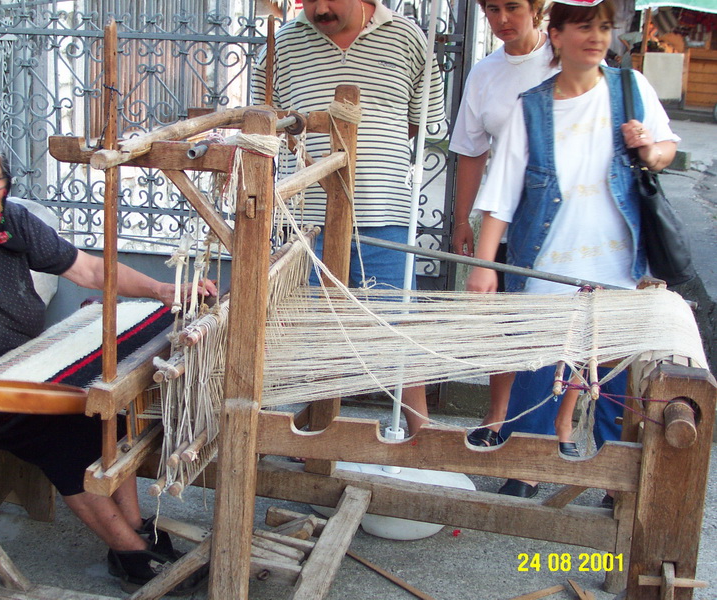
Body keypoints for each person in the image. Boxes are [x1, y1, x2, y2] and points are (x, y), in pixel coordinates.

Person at [0, 122, 215, 595]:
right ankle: (132, 555)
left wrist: (163, 290)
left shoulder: (10, 221)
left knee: (102, 419)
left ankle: (138, 536)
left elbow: (87, 268)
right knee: (65, 437)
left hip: (15, 365)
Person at [466, 0, 678, 499]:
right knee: (538, 368)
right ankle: (528, 467)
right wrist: (484, 265)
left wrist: (649, 150)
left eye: (604, 26)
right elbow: (501, 190)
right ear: (556, 34)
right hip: (546, 262)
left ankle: (613, 478)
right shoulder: (533, 107)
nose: (596, 36)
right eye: (584, 26)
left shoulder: (630, 89)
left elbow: (666, 147)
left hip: (616, 264)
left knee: (611, 375)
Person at [251, 0, 446, 435]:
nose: (319, 7)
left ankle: (419, 435)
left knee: (396, 327)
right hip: (309, 220)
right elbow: (262, 128)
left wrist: (367, 150)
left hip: (385, 213)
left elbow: (421, 124)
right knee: (317, 332)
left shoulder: (409, 39)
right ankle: (319, 434)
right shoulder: (281, 46)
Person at [449, 0, 558, 448]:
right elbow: (472, 151)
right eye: (491, 10)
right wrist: (462, 218)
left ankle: (551, 428)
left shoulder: (563, 60)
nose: (502, 20)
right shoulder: (485, 72)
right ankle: (499, 416)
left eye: (513, 7)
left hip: (556, 215)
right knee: (503, 322)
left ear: (538, 8)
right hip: (502, 215)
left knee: (550, 323)